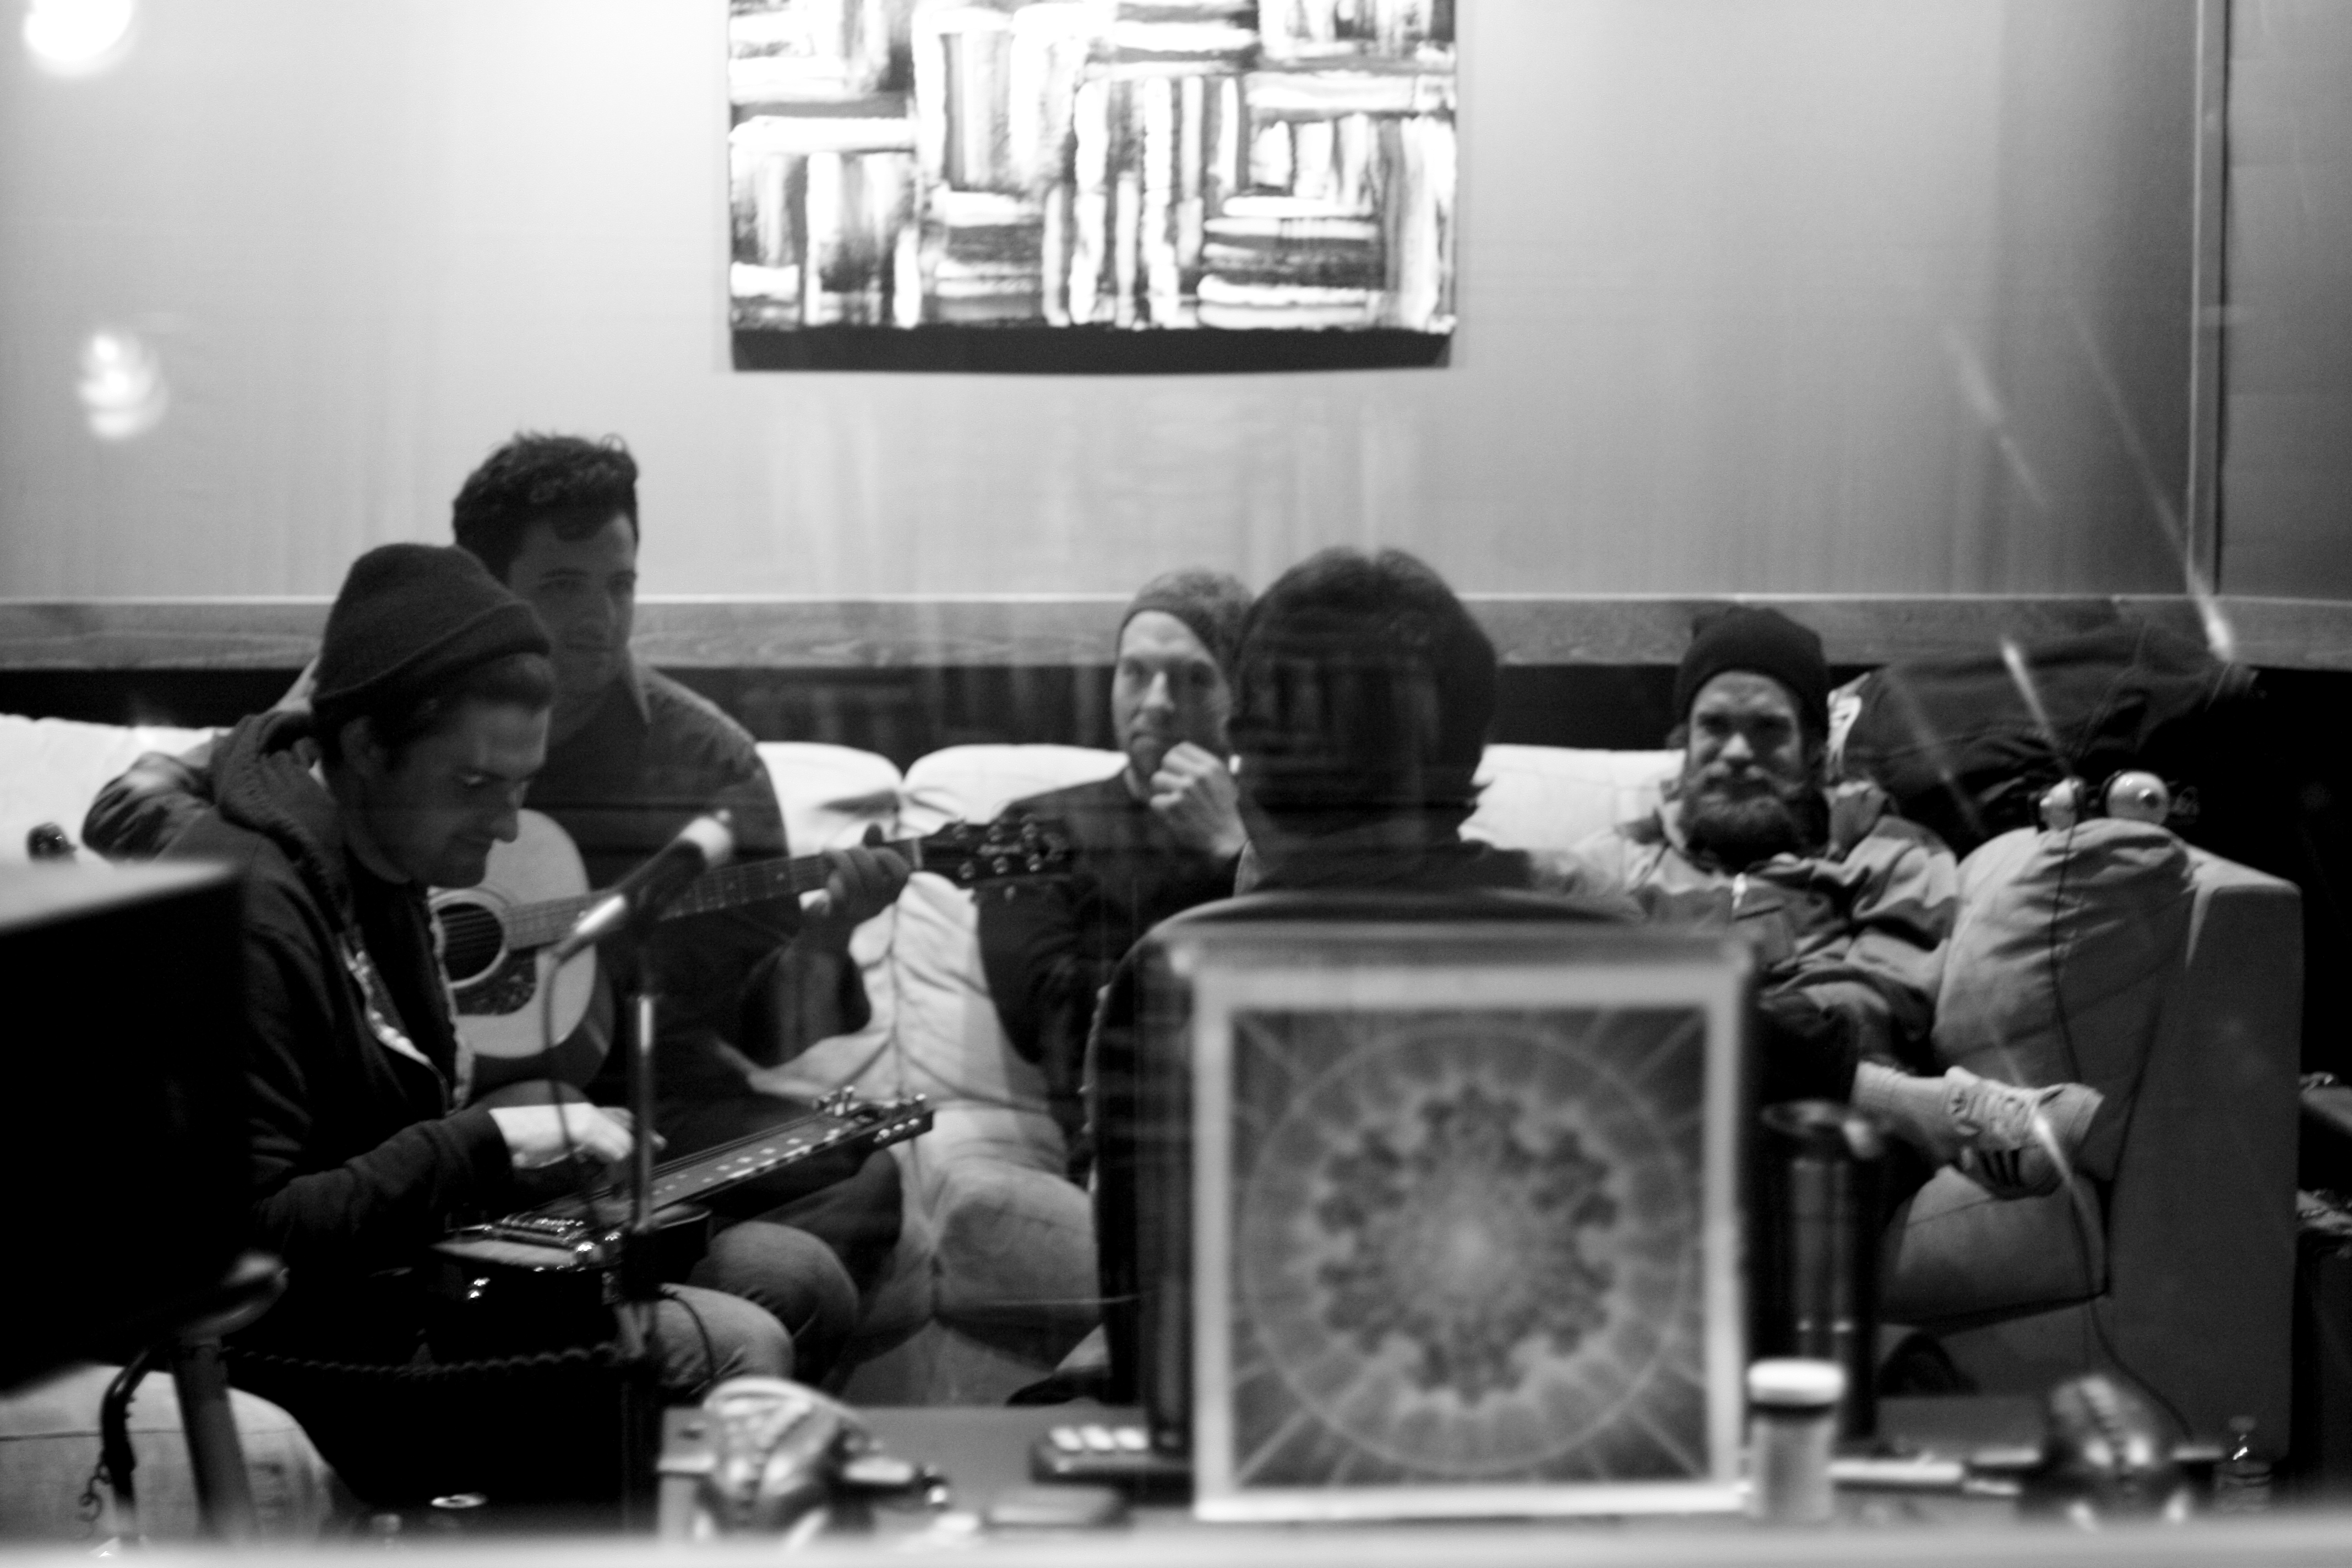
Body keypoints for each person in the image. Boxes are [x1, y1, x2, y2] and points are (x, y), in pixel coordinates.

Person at [90, 434, 910, 1380]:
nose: (600, 618)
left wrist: (827, 937)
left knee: (828, 1221)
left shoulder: (693, 762)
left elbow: (758, 1025)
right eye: (562, 585)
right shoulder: (361, 748)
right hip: (369, 1250)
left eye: (621, 584)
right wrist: (279, 887)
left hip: (609, 1110)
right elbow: (175, 804)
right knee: (749, 1320)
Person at [165, 543, 790, 1496]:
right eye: (473, 785)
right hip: (305, 1351)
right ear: (365, 746)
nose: (504, 824)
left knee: (786, 1272)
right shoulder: (250, 911)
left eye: (520, 785)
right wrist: (487, 1143)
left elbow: (384, 1127)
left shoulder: (383, 852)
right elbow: (244, 1237)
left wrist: (510, 1157)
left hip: (398, 1279)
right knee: (743, 1344)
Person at [1084, 547, 1633, 1400]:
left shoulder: (1171, 980)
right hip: (1559, 1428)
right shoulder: (1607, 937)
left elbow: (1149, 1339)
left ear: (1247, 753)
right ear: (1469, 754)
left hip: (1254, 1430)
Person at [1563, 606, 2099, 1195]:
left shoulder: (1890, 851)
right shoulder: (1612, 862)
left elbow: (1877, 1009)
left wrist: (1749, 1022)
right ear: (1684, 743)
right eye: (1714, 726)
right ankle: (1940, 1116)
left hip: (1824, 1129)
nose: (1737, 751)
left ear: (1815, 750)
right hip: (1651, 1107)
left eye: (1768, 729)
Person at [977, 570, 1253, 1149]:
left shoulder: (1268, 830)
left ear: (1240, 698)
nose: (1156, 703)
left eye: (1194, 678)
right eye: (1136, 672)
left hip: (1270, 1125)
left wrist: (1233, 850)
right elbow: (1041, 1020)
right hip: (1127, 1142)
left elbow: (1320, 984)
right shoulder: (1035, 826)